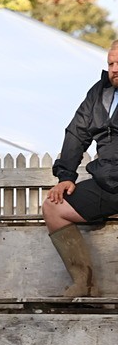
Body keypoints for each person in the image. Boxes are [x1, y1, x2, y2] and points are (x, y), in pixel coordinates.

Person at [43, 40, 118, 298]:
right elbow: (77, 132)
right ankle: (84, 283)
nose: (114, 68)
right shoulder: (99, 93)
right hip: (106, 182)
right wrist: (66, 176)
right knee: (53, 206)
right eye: (111, 63)